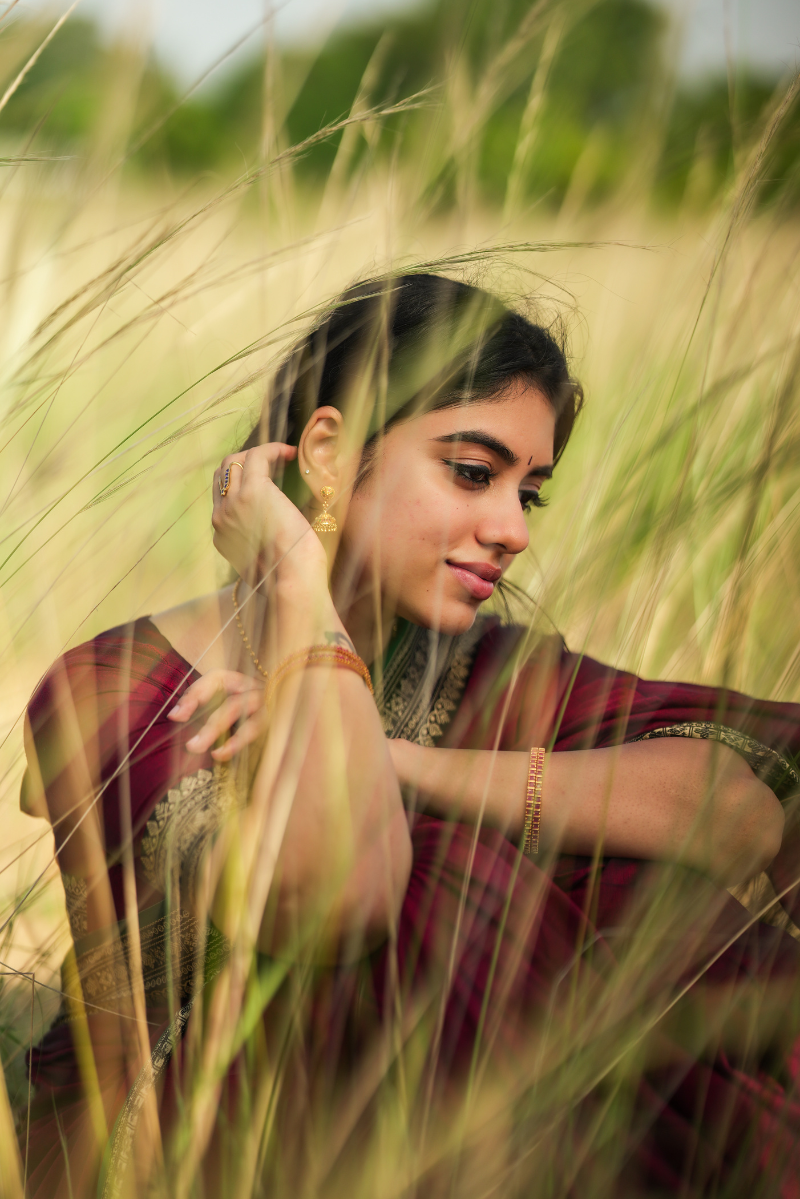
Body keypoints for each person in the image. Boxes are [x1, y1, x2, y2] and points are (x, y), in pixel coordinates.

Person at [19, 273, 800, 1198]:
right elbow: (347, 902)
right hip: (211, 1160)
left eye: (530, 494)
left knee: (634, 876)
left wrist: (395, 758)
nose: (510, 530)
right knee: (468, 882)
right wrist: (300, 578)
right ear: (328, 452)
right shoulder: (117, 694)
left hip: (472, 1152)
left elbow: (738, 818)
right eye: (473, 473)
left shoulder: (494, 673)